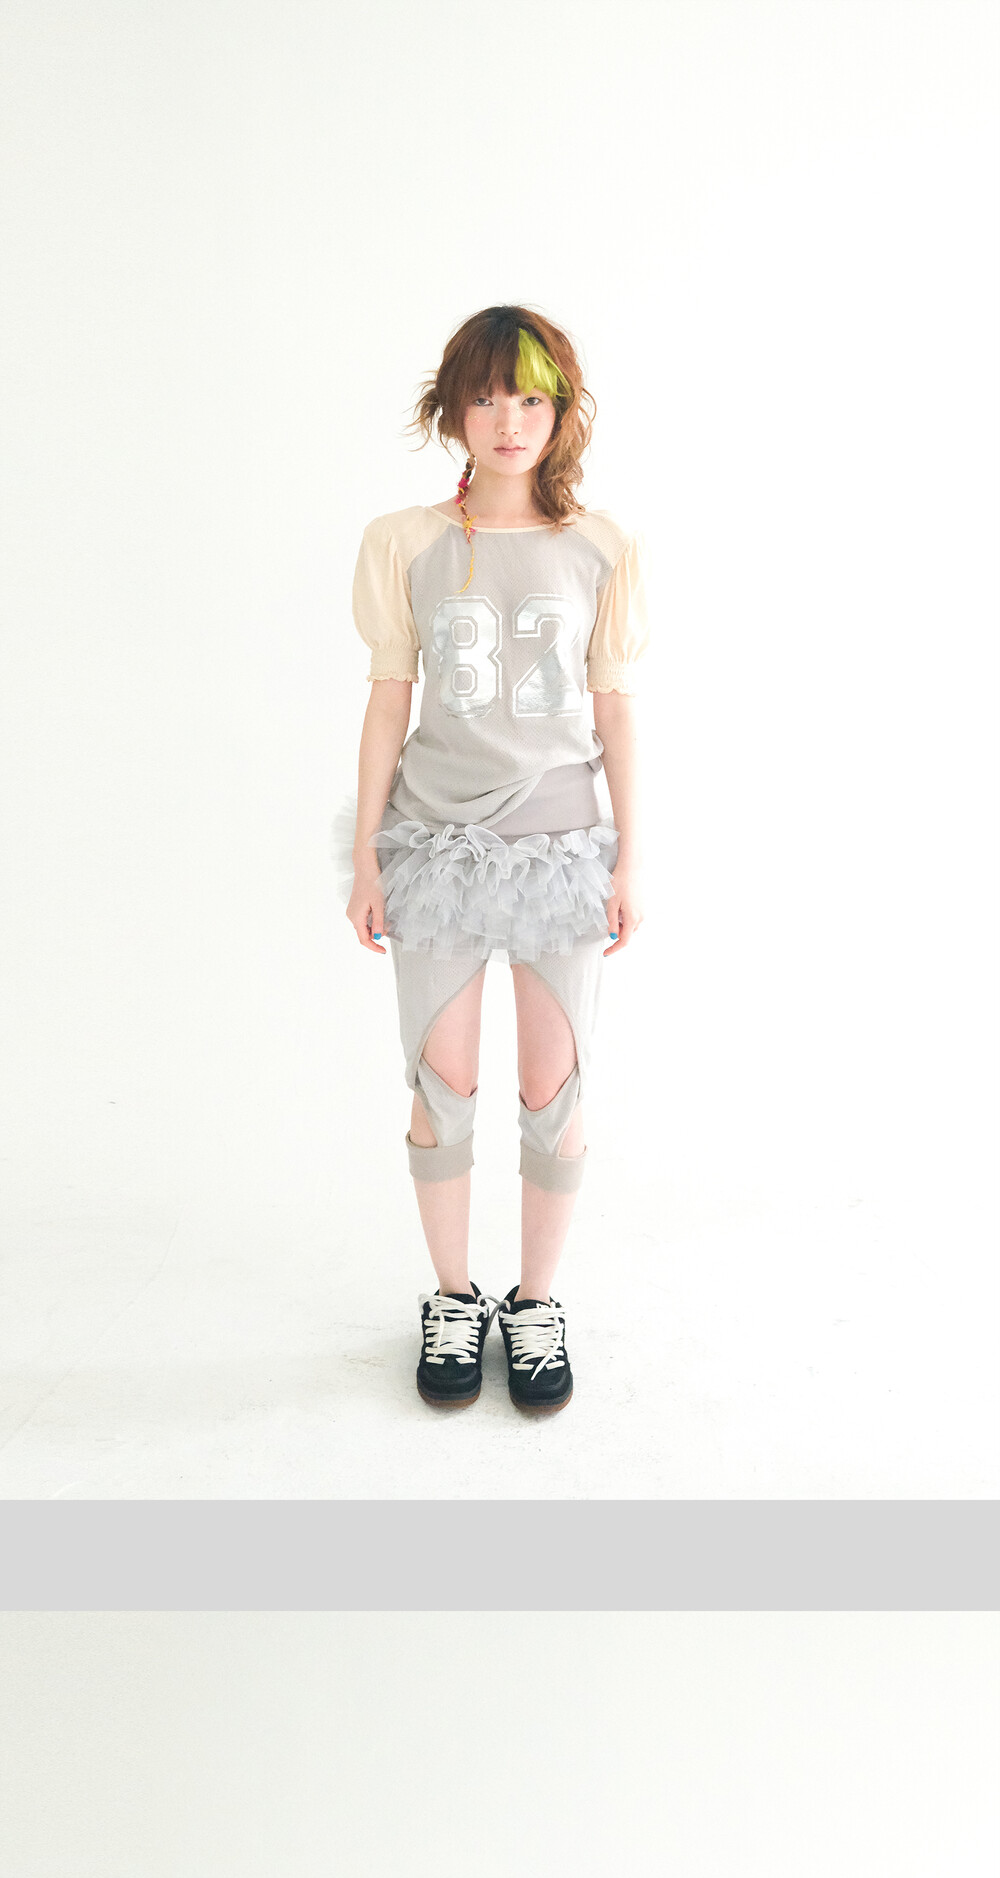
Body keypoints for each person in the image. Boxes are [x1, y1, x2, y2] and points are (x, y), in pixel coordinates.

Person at [347, 302, 648, 1415]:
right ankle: (452, 1297)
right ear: (452, 410)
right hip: (433, 842)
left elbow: (614, 709)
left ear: (561, 412)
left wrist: (629, 858)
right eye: (484, 397)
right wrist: (369, 856)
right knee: (443, 1081)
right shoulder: (405, 541)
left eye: (529, 397)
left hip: (561, 847)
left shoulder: (600, 547)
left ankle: (536, 1303)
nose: (508, 419)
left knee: (553, 1088)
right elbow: (389, 701)